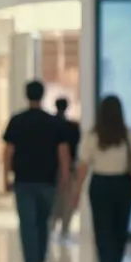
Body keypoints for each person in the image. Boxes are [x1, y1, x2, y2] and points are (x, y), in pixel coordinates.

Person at [69, 96, 131, 262]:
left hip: (99, 184)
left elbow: (83, 166)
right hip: (121, 185)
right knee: (120, 228)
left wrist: (77, 190)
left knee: (102, 227)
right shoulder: (128, 135)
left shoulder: (92, 136)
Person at [2, 80, 70, 262]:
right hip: (47, 180)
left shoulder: (17, 121)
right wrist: (64, 179)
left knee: (27, 223)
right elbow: (63, 154)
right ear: (42, 95)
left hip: (23, 180)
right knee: (43, 222)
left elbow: (8, 151)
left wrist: (5, 176)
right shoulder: (54, 123)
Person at [51, 97, 82, 239]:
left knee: (53, 198)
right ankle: (65, 227)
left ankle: (51, 224)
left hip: (51, 167)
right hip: (69, 167)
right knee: (67, 198)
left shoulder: (50, 124)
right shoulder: (73, 127)